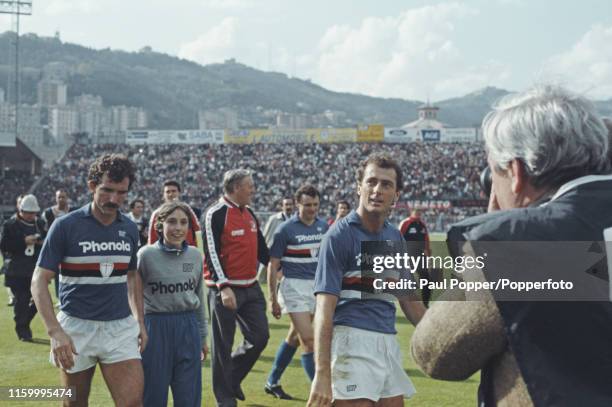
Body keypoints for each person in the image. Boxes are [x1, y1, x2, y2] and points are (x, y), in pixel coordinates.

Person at [411, 85, 612, 406]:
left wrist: (495, 235)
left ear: (516, 172)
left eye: (495, 172)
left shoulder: (517, 244)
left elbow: (436, 353)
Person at [308, 153, 426, 407]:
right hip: (352, 342)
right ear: (358, 187)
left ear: (396, 195)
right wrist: (322, 373)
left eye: (386, 184)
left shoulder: (395, 237)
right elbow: (323, 312)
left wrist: (443, 336)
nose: (377, 190)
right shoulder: (339, 236)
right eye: (371, 182)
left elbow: (410, 301)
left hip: (387, 342)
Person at [31, 154, 145, 407]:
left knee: (133, 403)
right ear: (92, 185)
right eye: (107, 190)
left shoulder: (129, 228)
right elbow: (39, 279)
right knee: (75, 402)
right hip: (76, 328)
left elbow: (131, 276)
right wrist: (55, 332)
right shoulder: (65, 226)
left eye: (121, 192)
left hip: (119, 328)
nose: (114, 199)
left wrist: (140, 321)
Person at [203, 169, 270, 407]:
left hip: (251, 287)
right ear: (235, 188)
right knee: (223, 345)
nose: (253, 189)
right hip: (225, 289)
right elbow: (210, 252)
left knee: (260, 337)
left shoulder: (250, 213)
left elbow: (262, 249)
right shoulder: (215, 214)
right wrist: (223, 286)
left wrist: (278, 264)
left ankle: (230, 378)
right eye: (249, 185)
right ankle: (225, 399)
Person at [137, 201, 208, 407]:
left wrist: (203, 336)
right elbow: (132, 297)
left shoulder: (195, 255)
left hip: (188, 328)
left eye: (183, 222)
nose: (178, 228)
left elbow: (199, 299)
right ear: (160, 225)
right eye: (172, 222)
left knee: (189, 397)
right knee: (153, 396)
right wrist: (137, 331)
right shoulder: (146, 255)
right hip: (155, 328)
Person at [265, 185, 328, 399]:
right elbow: (272, 266)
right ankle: (320, 393)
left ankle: (272, 381)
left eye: (315, 205)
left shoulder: (323, 227)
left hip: (316, 288)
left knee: (294, 336)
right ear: (297, 205)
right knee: (309, 340)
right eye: (307, 205)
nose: (312, 209)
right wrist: (272, 298)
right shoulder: (285, 229)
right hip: (293, 288)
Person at [0, 194, 46, 341]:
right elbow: (4, 245)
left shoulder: (39, 223)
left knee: (40, 301)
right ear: (21, 210)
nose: (32, 215)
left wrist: (40, 242)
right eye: (29, 212)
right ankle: (23, 331)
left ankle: (23, 323)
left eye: (34, 212)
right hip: (17, 271)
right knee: (22, 301)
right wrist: (23, 241)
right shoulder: (10, 224)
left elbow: (47, 240)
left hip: (35, 270)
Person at [149, 180, 201, 248]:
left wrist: (200, 251)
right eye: (168, 192)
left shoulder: (187, 210)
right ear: (163, 195)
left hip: (187, 252)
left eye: (173, 191)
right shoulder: (157, 213)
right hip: (165, 253)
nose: (171, 194)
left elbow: (197, 231)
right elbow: (152, 238)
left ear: (179, 193)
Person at [42, 189, 73, 300]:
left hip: (70, 247)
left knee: (70, 271)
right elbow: (43, 229)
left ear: (67, 198)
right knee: (54, 273)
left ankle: (68, 295)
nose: (61, 199)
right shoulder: (48, 213)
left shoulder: (73, 211)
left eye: (63, 197)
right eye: (59, 197)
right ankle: (59, 297)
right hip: (54, 247)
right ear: (55, 198)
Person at [399, 209, 432, 306]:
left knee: (426, 279)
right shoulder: (405, 223)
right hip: (407, 254)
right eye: (416, 212)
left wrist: (428, 254)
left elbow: (426, 239)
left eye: (419, 213)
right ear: (411, 213)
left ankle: (425, 304)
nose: (418, 214)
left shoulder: (422, 225)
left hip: (420, 255)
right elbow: (398, 237)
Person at [258, 196, 294, 284]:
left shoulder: (295, 220)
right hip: (274, 250)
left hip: (288, 251)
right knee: (264, 274)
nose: (289, 206)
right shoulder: (274, 219)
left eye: (290, 204)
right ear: (282, 206)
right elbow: (265, 234)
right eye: (286, 204)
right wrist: (266, 247)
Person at [4, 194, 24, 306]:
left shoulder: (36, 221)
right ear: (17, 205)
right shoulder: (11, 222)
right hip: (14, 260)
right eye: (20, 203)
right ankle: (12, 297)